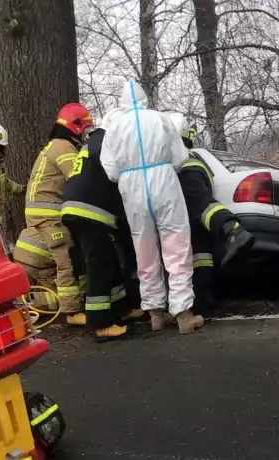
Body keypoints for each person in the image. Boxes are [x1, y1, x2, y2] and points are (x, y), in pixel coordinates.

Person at [100, 80, 204, 334]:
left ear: (122, 103)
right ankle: (182, 313)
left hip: (131, 185)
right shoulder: (161, 119)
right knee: (176, 243)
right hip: (163, 180)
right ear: (145, 98)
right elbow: (180, 157)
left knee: (143, 247)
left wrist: (129, 173)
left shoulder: (114, 127)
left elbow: (110, 169)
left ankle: (155, 313)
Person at [62, 109, 144, 341]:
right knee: (99, 266)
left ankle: (122, 310)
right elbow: (120, 181)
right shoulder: (107, 143)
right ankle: (100, 325)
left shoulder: (93, 142)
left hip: (75, 207)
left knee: (107, 261)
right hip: (90, 211)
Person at [169, 113, 255, 316]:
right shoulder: (193, 157)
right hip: (193, 202)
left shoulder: (179, 159)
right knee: (201, 251)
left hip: (186, 183)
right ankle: (203, 301)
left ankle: (232, 230)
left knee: (201, 208)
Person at [25, 103, 94, 326]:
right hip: (49, 215)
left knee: (69, 258)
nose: (86, 134)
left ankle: (76, 303)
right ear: (76, 128)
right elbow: (79, 178)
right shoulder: (64, 148)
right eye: (85, 129)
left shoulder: (55, 145)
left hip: (46, 213)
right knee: (66, 262)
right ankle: (72, 312)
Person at [13, 227, 59, 311]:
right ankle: (33, 305)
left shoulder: (41, 220)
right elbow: (66, 267)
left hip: (18, 256)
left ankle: (24, 303)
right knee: (62, 297)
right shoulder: (63, 235)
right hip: (37, 264)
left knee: (28, 289)